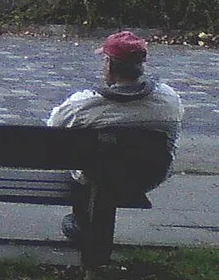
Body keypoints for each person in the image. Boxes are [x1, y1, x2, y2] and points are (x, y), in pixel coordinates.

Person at [49, 30, 183, 242]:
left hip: (94, 177)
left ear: (109, 65)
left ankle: (83, 225)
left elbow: (53, 127)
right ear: (142, 65)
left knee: (91, 168)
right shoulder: (168, 100)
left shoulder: (84, 105)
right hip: (145, 176)